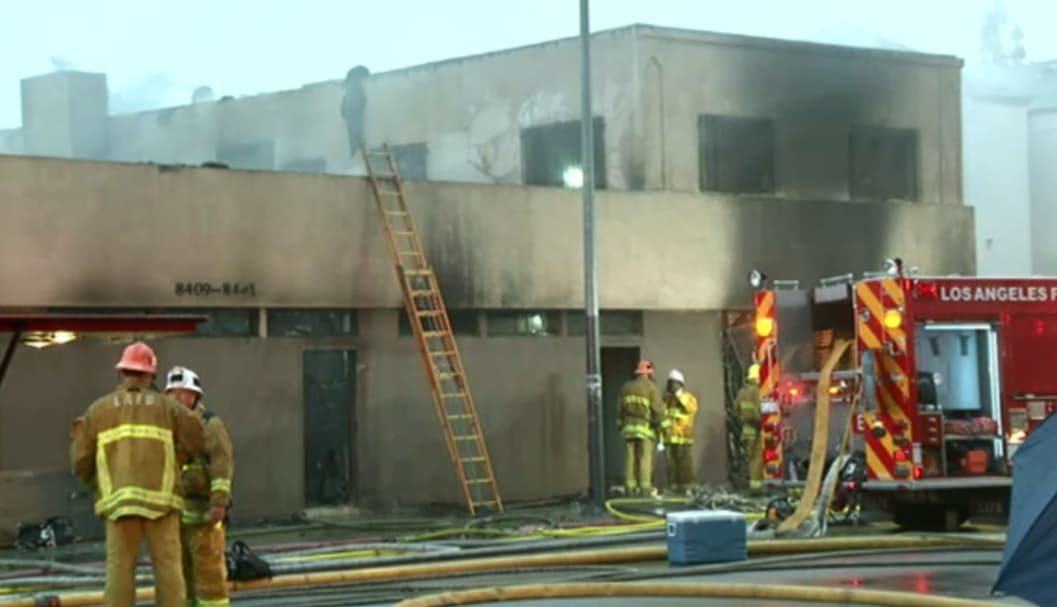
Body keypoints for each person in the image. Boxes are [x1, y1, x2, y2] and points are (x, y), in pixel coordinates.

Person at [70, 342, 205, 607]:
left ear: (122, 372)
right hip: (162, 503)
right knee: (168, 569)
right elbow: (196, 442)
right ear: (151, 374)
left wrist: (99, 484)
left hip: (118, 504)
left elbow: (80, 461)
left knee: (120, 571)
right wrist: (174, 461)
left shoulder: (98, 410)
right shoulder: (168, 407)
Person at [166, 366, 234, 607]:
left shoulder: (210, 425)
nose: (177, 398)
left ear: (195, 396)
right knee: (181, 575)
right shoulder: (168, 427)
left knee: (209, 574)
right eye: (172, 393)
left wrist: (219, 502)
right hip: (176, 514)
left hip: (205, 514)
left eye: (182, 393)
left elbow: (221, 463)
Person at [617, 359, 665, 496]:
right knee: (644, 458)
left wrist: (621, 427)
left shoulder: (626, 387)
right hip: (645, 428)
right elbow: (658, 410)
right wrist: (661, 427)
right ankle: (645, 488)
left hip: (628, 429)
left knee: (630, 458)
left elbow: (619, 410)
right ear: (649, 373)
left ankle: (630, 488)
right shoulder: (651, 388)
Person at [662, 369, 699, 496]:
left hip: (683, 436)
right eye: (670, 383)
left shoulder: (688, 397)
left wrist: (679, 397)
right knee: (671, 464)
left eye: (674, 383)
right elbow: (663, 416)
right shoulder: (666, 400)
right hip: (669, 438)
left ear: (680, 384)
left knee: (685, 464)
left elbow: (691, 409)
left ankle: (688, 487)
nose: (671, 386)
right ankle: (674, 487)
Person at [736, 363, 763, 494]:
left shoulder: (742, 392)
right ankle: (756, 488)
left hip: (747, 431)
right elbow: (760, 410)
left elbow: (736, 411)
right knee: (758, 460)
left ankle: (754, 485)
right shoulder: (758, 391)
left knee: (751, 459)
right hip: (757, 430)